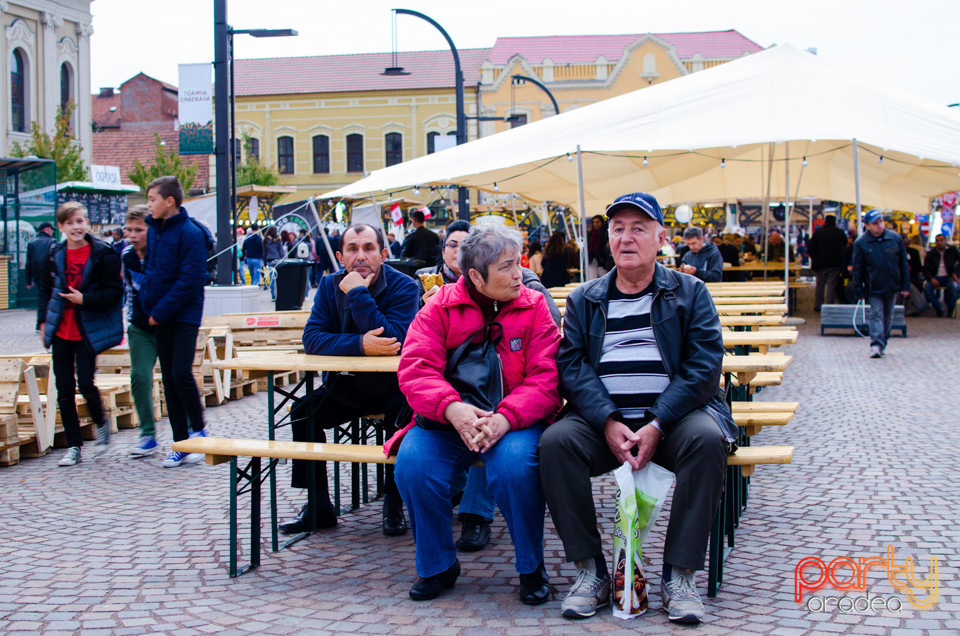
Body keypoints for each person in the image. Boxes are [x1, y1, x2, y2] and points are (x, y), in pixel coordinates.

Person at [539, 192, 735, 624]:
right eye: (617, 229)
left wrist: (657, 423)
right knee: (555, 443)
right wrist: (608, 420)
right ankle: (590, 572)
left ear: (661, 238)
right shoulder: (585, 298)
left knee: (706, 441)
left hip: (674, 423)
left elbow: (704, 366)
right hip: (602, 426)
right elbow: (571, 364)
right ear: (607, 238)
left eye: (639, 228)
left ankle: (678, 576)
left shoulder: (690, 292)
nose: (626, 238)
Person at [390, 224, 562, 604]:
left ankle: (531, 567)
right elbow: (416, 367)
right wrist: (454, 409)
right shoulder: (439, 306)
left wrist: (504, 418)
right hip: (448, 420)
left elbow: (548, 377)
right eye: (506, 267)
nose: (520, 274)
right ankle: (436, 566)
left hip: (516, 420)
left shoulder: (534, 307)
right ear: (474, 276)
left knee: (516, 467)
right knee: (413, 466)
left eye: (517, 263)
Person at [279, 224, 419, 536]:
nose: (360, 256)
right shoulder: (329, 285)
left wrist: (357, 292)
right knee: (303, 412)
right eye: (352, 249)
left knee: (400, 417)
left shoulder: (405, 287)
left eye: (368, 248)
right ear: (341, 257)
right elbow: (312, 338)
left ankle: (393, 502)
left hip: (393, 389)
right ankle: (318, 506)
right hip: (345, 386)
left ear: (383, 254)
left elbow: (394, 338)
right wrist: (358, 345)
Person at [37, 201, 123, 466]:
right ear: (61, 227)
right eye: (71, 222)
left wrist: (85, 299)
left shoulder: (102, 253)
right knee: (63, 387)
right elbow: (45, 288)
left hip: (87, 329)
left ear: (88, 224)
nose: (77, 226)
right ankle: (74, 446)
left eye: (81, 221)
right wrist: (42, 321)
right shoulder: (55, 254)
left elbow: (115, 293)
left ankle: (100, 421)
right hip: (62, 328)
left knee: (86, 383)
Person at [140, 176, 210, 466]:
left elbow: (188, 281)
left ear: (169, 201)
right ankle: (180, 440)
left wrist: (160, 311)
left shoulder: (191, 234)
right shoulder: (155, 229)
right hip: (160, 315)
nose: (149, 204)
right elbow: (151, 270)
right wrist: (148, 304)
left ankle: (199, 433)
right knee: (168, 378)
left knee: (181, 373)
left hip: (182, 315)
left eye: (153, 199)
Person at [122, 206, 160, 457]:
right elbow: (126, 290)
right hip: (139, 326)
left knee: (177, 378)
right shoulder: (126, 256)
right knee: (140, 376)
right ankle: (147, 433)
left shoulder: (162, 252)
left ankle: (191, 431)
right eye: (129, 230)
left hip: (167, 325)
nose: (133, 235)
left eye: (139, 229)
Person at [851, 209, 910, 358]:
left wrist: (905, 285)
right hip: (874, 286)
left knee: (888, 317)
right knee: (876, 314)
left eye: (881, 221)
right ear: (867, 225)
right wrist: (859, 290)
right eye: (875, 223)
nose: (879, 225)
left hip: (892, 284)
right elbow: (857, 269)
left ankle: (882, 342)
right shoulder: (861, 243)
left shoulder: (894, 239)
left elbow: (903, 263)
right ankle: (876, 344)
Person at [807, 215, 847, 310]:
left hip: (820, 263)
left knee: (820, 284)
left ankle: (818, 305)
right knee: (831, 284)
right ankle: (829, 305)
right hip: (834, 263)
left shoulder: (818, 233)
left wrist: (815, 257)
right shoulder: (839, 233)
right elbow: (844, 245)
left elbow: (810, 247)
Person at [25, 221, 56, 330]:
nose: (52, 232)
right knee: (51, 299)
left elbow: (28, 262)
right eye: (51, 229)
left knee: (42, 298)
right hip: (50, 276)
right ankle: (50, 322)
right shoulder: (53, 242)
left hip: (37, 276)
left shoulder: (32, 244)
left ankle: (40, 324)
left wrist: (28, 280)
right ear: (47, 229)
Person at [922, 233, 960, 318]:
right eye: (937, 241)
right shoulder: (931, 253)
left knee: (953, 287)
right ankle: (938, 307)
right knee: (927, 288)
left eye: (941, 240)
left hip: (948, 276)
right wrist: (931, 278)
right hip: (935, 276)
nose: (939, 242)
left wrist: (955, 273)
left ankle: (951, 308)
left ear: (945, 241)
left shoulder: (952, 250)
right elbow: (926, 269)